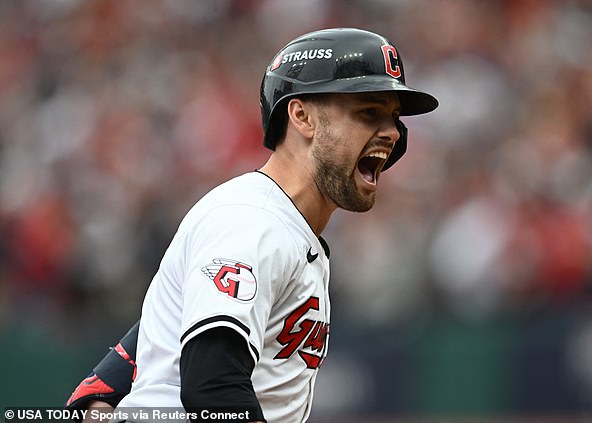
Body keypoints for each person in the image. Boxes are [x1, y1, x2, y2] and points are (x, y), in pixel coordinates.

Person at [65, 27, 438, 423]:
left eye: (394, 118)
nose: (393, 132)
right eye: (369, 112)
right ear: (302, 115)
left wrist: (102, 398)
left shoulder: (279, 226)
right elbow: (213, 386)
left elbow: (155, 346)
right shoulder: (252, 220)